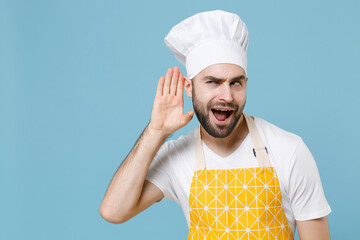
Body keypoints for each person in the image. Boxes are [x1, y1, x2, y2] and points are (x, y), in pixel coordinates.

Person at [100, 10, 331, 240]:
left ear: (246, 84)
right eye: (213, 82)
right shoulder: (177, 158)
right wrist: (155, 132)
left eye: (236, 83)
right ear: (189, 87)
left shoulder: (289, 150)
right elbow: (113, 211)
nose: (227, 96)